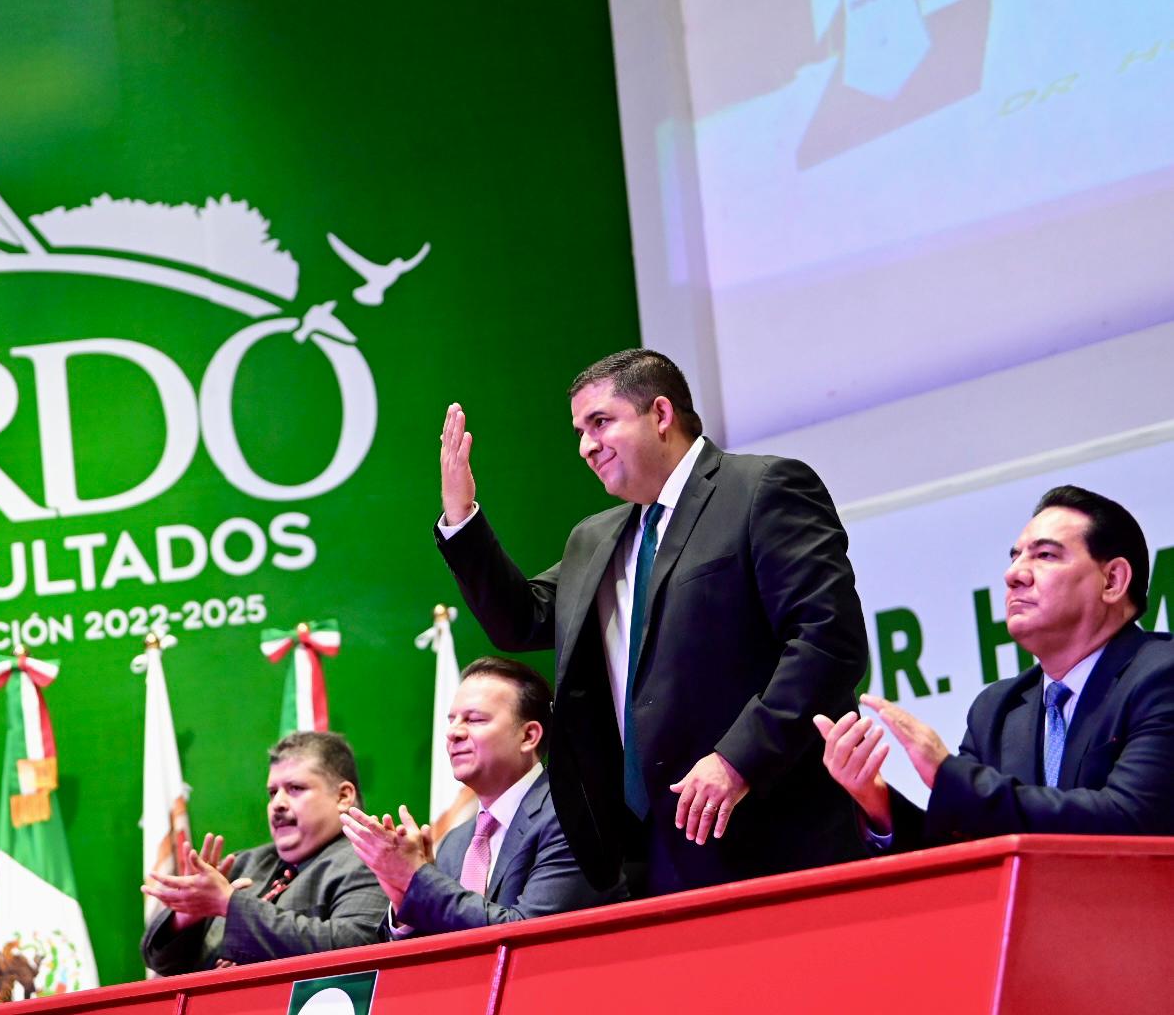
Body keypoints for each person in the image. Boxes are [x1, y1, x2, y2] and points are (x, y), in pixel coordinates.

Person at [435, 348, 868, 895]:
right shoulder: (595, 538)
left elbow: (827, 641)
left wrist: (738, 761)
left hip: (769, 828)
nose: (586, 446)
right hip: (644, 851)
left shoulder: (761, 489)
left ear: (660, 414)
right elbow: (521, 621)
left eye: (600, 422)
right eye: (580, 432)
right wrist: (461, 519)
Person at [816, 485, 1174, 848]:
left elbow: (1131, 820)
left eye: (1045, 555)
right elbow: (963, 849)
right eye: (1015, 557)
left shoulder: (1162, 675)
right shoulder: (997, 711)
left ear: (1112, 580)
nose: (1014, 574)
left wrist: (949, 776)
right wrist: (877, 800)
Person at [341, 656, 612, 935]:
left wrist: (417, 880)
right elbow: (442, 946)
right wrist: (405, 900)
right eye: (452, 720)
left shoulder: (572, 817)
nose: (453, 733)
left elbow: (528, 935)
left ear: (528, 736)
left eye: (475, 719)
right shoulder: (455, 842)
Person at [140, 731, 388, 974]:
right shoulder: (243, 864)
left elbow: (356, 946)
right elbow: (160, 962)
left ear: (343, 796)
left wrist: (230, 904)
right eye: (272, 792)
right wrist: (187, 918)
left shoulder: (371, 861)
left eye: (295, 788)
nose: (277, 804)